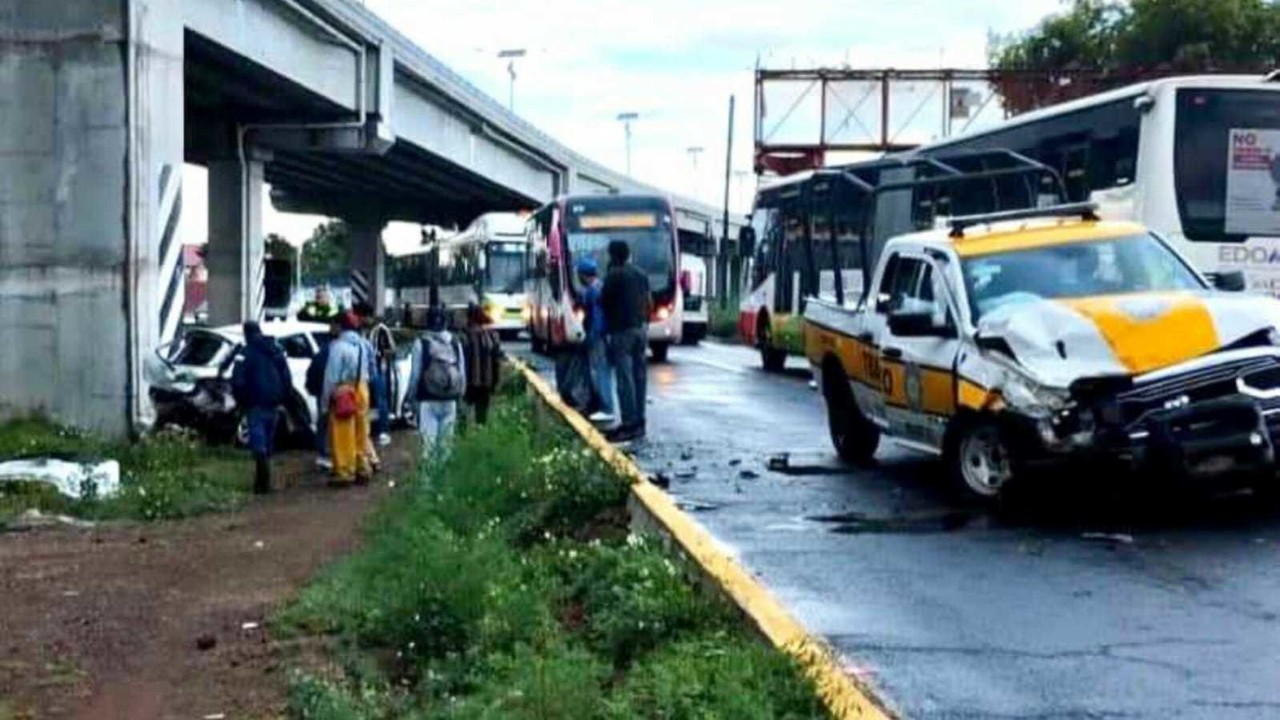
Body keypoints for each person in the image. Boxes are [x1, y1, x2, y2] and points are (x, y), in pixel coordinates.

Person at [231, 322, 291, 494]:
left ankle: (262, 482)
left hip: (255, 402)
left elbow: (237, 380)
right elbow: (286, 377)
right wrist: (284, 399)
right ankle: (265, 479)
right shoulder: (276, 350)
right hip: (274, 402)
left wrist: (241, 399)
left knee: (258, 441)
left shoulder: (245, 353)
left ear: (246, 334)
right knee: (268, 438)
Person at [601, 240, 651, 442]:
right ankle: (640, 421)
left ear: (613, 255)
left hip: (621, 332)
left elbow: (604, 302)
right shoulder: (641, 275)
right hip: (640, 330)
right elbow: (649, 302)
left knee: (625, 379)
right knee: (640, 377)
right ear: (629, 253)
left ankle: (628, 424)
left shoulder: (613, 275)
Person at [321, 311, 375, 485]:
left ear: (340, 326)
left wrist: (325, 401)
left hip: (343, 391)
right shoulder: (362, 345)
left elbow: (331, 377)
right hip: (362, 388)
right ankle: (362, 467)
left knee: (343, 433)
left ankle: (345, 471)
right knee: (361, 431)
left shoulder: (338, 347)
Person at [407, 305, 466, 462]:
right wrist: (460, 396)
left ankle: (428, 485)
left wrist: (411, 398)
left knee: (429, 446)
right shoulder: (455, 342)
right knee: (446, 447)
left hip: (428, 400)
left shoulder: (421, 343)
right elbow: (461, 372)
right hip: (450, 399)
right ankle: (445, 483)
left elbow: (415, 374)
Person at [576, 257, 616, 426]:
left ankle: (606, 408)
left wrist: (589, 335)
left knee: (601, 371)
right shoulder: (601, 286)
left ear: (583, 275)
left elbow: (591, 316)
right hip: (606, 334)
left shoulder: (590, 291)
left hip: (597, 335)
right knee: (603, 370)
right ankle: (604, 406)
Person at [305, 318, 341, 470]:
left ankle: (323, 455)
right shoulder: (339, 351)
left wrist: (314, 389)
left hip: (323, 392)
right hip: (340, 392)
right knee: (337, 424)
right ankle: (335, 455)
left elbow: (313, 372)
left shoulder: (323, 351)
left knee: (323, 423)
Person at [461, 303, 503, 425]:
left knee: (463, 415)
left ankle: (463, 438)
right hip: (486, 382)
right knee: (482, 416)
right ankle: (480, 435)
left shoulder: (464, 336)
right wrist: (495, 382)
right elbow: (496, 361)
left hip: (467, 382)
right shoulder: (492, 336)